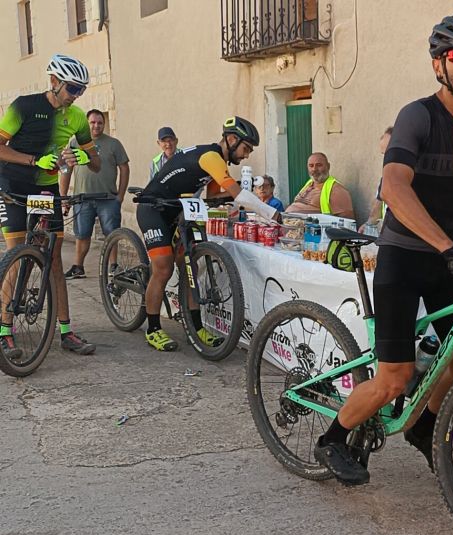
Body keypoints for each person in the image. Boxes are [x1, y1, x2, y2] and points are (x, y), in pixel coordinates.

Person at [313, 13, 453, 486]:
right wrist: (446, 244)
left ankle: (422, 423)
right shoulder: (417, 116)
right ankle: (332, 440)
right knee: (393, 378)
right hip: (404, 258)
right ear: (439, 65)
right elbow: (394, 187)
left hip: (446, 257)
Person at [137, 116, 281, 352]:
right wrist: (271, 213)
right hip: (153, 208)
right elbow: (238, 196)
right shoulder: (211, 156)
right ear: (232, 139)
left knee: (189, 265)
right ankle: (152, 328)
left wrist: (236, 194)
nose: (246, 155)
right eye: (246, 148)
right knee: (163, 267)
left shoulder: (218, 163)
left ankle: (196, 327)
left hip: (179, 210)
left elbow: (214, 198)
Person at [0, 54, 102, 357]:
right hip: (13, 185)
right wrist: (34, 160)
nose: (76, 96)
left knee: (54, 258)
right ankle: (5, 331)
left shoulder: (79, 117)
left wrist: (85, 158)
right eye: (72, 88)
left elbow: (95, 161)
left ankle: (66, 331)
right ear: (54, 82)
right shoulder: (23, 106)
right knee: (15, 258)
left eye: (81, 90)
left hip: (44, 190)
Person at [60, 108, 129, 279]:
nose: (96, 126)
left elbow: (124, 168)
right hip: (82, 198)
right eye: (92, 122)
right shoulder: (75, 143)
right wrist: (64, 198)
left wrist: (120, 195)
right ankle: (78, 267)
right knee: (82, 234)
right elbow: (66, 170)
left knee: (111, 233)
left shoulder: (114, 144)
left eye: (100, 122)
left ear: (104, 124)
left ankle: (113, 266)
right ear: (86, 123)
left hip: (107, 198)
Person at [284, 152, 355, 219]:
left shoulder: (336, 190)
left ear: (328, 166)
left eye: (319, 165)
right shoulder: (309, 184)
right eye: (311, 166)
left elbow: (347, 222)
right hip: (288, 225)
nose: (314, 169)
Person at [359, 126, 393, 233]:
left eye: (389, 153)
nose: (386, 159)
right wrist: (368, 225)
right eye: (384, 154)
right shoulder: (386, 178)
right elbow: (377, 208)